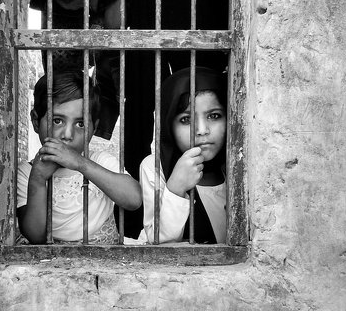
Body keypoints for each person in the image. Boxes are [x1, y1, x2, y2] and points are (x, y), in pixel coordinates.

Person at [17, 71, 142, 244]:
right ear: (36, 121)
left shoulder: (100, 161)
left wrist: (80, 164)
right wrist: (38, 180)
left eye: (80, 124)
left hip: (106, 257)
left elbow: (134, 199)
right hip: (56, 259)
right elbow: (35, 236)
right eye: (57, 121)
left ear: (94, 128)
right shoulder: (28, 172)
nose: (68, 135)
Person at [140, 67, 227, 244]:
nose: (202, 130)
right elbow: (159, 242)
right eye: (186, 119)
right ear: (168, 125)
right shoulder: (155, 168)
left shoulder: (244, 167)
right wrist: (176, 188)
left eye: (214, 116)